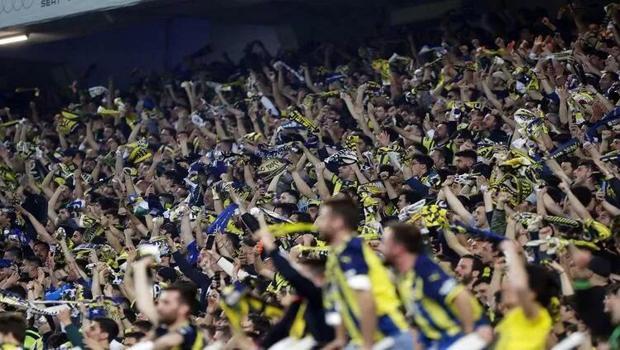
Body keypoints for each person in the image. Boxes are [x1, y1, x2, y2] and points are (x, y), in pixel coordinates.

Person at [316, 195, 412, 350]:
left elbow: (366, 298)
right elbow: (338, 301)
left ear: (338, 222)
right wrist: (340, 339)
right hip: (368, 339)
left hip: (388, 337)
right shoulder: (337, 255)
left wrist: (367, 345)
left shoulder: (351, 251)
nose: (318, 223)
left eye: (324, 218)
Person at [382, 222, 490, 349]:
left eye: (385, 242)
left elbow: (460, 297)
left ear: (398, 248)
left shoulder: (424, 269)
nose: (382, 247)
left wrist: (469, 335)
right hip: (439, 343)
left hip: (457, 338)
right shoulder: (405, 277)